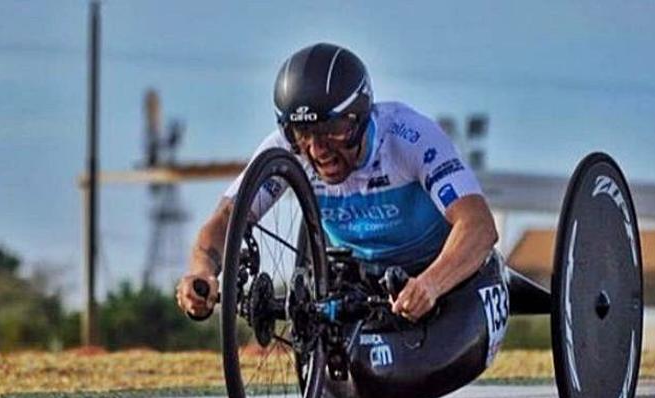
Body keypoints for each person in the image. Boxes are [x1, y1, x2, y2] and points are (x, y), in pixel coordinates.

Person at [176, 42, 498, 323]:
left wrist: (431, 283)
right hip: (357, 276)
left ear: (357, 119)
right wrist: (201, 270)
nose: (317, 151)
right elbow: (225, 220)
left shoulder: (410, 137)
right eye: (303, 135)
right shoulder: (286, 150)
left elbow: (479, 226)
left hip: (439, 268)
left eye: (330, 131)